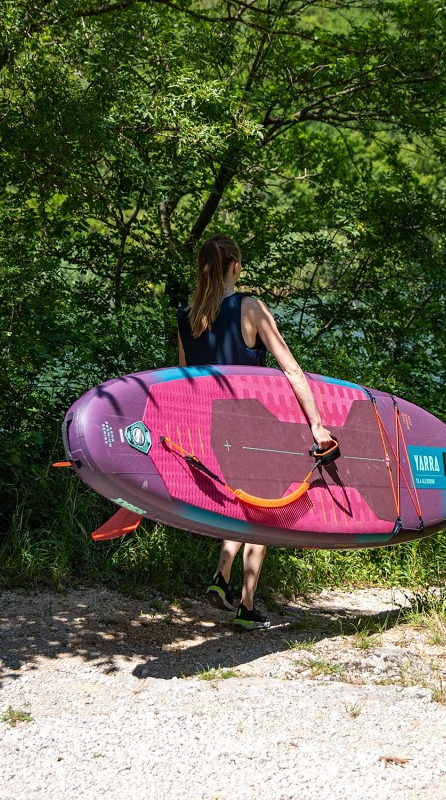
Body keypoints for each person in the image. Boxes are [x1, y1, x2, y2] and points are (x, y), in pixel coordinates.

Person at [178, 235, 334, 630]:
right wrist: (317, 425)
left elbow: (184, 383)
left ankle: (221, 578)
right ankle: (246, 608)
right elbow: (291, 369)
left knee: (240, 505)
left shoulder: (186, 316)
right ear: (235, 266)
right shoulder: (250, 308)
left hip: (212, 430)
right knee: (263, 514)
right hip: (254, 427)